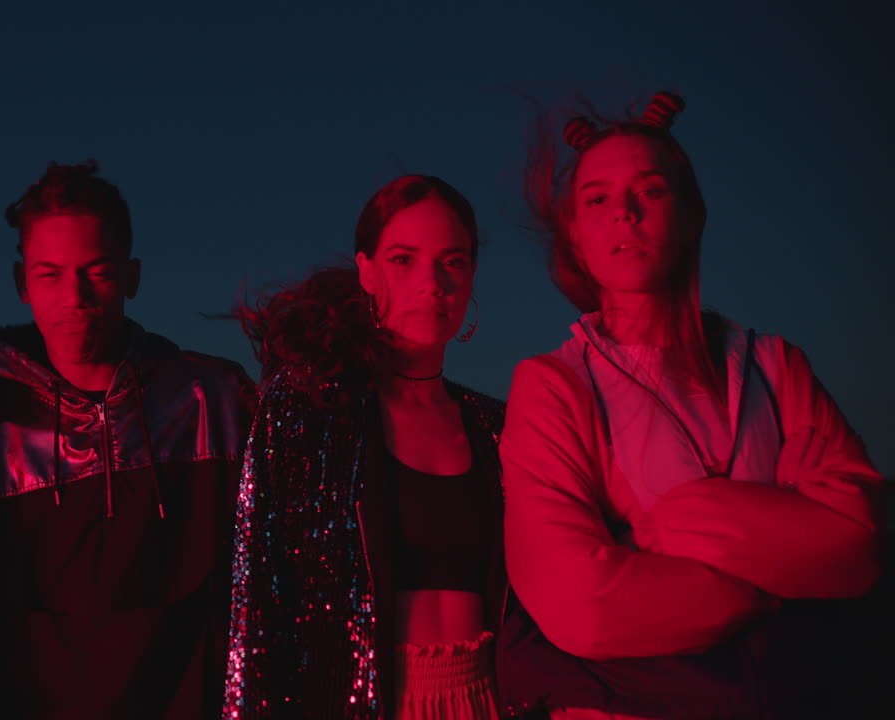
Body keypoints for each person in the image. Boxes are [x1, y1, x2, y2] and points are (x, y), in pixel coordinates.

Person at [499, 92, 885, 718]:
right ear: (574, 234)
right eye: (597, 199)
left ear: (690, 211)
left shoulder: (774, 366)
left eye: (649, 191)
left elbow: (857, 542)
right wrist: (772, 582)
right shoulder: (554, 387)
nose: (623, 213)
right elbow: (584, 605)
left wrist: (671, 531)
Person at [0, 161, 255, 719]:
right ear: (21, 284)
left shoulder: (219, 403)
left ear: (131, 276)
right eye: (50, 274)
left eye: (97, 272)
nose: (75, 296)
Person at [225, 174, 506, 719]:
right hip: (367, 704)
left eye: (453, 261)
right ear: (368, 272)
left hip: (487, 699)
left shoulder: (496, 425)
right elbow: (258, 606)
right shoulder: (307, 410)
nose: (433, 283)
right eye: (404, 259)